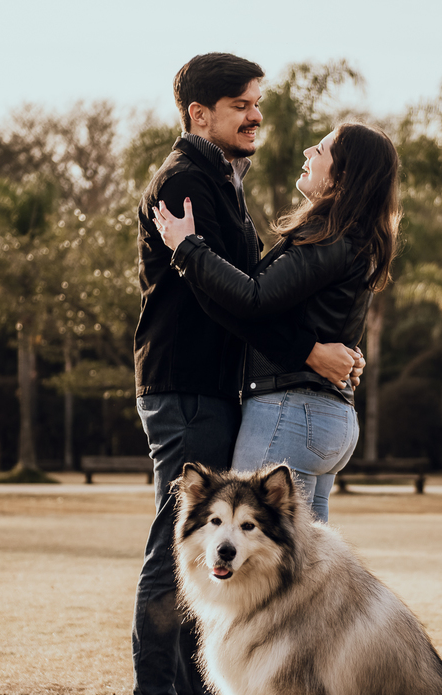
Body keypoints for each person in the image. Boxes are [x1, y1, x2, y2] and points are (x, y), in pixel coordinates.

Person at [129, 54, 362, 695]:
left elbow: (251, 295)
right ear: (199, 114)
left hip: (216, 387)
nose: (256, 115)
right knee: (180, 543)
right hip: (185, 385)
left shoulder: (225, 181)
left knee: (213, 544)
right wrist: (310, 351)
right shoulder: (184, 181)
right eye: (241, 104)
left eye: (257, 102)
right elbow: (227, 301)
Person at [153, 121, 401, 521]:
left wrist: (187, 249)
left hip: (291, 411)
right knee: (305, 557)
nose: (307, 153)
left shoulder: (330, 237)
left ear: (342, 176)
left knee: (254, 549)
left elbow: (253, 299)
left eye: (321, 150)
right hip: (327, 415)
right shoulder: (356, 238)